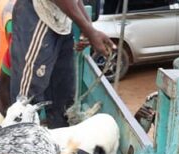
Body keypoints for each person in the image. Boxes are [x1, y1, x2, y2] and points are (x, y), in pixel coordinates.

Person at [10, 0, 113, 128]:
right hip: (38, 16)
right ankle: (22, 136)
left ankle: (59, 134)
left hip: (61, 20)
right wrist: (90, 32)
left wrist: (88, 28)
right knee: (26, 103)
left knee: (62, 98)